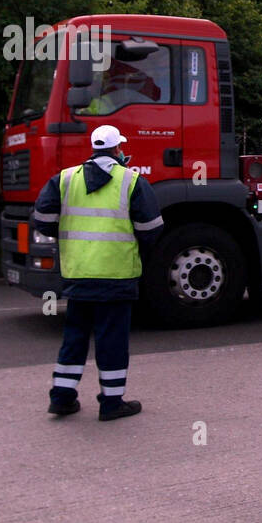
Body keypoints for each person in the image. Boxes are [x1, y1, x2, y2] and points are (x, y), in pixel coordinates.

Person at [33, 125, 163, 421]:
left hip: (79, 275)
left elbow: (41, 219)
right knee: (112, 340)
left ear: (92, 149)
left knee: (75, 337)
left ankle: (62, 397)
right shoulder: (131, 181)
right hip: (116, 276)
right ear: (118, 150)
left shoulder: (65, 179)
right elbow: (152, 229)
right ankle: (111, 402)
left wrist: (69, 237)